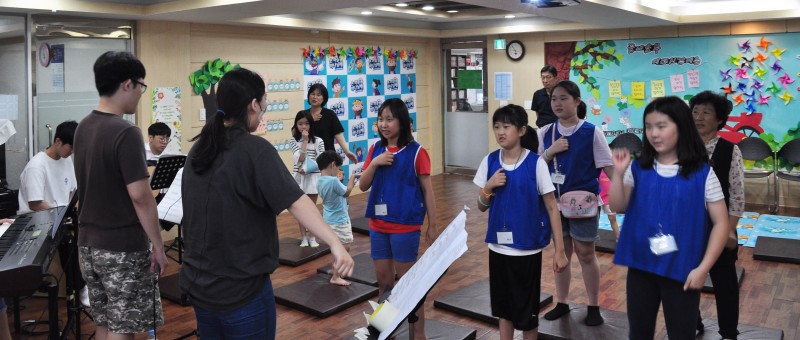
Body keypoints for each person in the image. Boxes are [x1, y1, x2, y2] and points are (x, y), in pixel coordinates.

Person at [180, 68, 353, 339]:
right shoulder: (256, 150)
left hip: (200, 288)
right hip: (242, 291)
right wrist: (335, 243)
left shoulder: (198, 149)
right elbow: (297, 202)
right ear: (253, 104)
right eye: (264, 102)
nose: (264, 109)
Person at [608, 96, 729, 339]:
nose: (653, 133)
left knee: (681, 333)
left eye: (661, 126)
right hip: (641, 267)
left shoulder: (703, 173)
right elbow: (618, 206)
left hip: (683, 271)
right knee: (639, 333)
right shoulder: (638, 168)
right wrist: (618, 175)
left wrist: (703, 268)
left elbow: (721, 223)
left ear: (681, 127)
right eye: (649, 127)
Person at [73, 51, 167, 340]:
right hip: (121, 246)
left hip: (88, 245)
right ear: (128, 84)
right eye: (141, 86)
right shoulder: (125, 132)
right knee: (123, 328)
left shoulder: (83, 126)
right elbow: (140, 196)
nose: (141, 92)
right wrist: (158, 245)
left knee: (104, 322)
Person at [473, 104, 568, 340]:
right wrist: (488, 187)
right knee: (503, 310)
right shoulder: (490, 161)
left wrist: (560, 251)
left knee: (527, 314)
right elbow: (481, 206)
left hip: (527, 250)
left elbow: (551, 207)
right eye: (496, 127)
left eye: (506, 126)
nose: (500, 132)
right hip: (497, 247)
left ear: (522, 130)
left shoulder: (536, 163)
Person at [359, 98, 437, 339]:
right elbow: (362, 185)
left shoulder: (417, 152)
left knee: (408, 285)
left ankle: (418, 334)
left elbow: (428, 190)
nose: (384, 124)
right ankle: (384, 331)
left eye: (389, 119)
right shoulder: (375, 150)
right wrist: (374, 163)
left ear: (402, 122)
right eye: (381, 119)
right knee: (384, 282)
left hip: (405, 226)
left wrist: (433, 225)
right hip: (378, 225)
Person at [538, 80, 613, 326]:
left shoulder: (592, 132)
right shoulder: (545, 132)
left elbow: (609, 168)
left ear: (577, 102)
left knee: (585, 253)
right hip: (554, 205)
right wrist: (551, 151)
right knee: (562, 254)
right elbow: (536, 167)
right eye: (554, 99)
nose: (557, 103)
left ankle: (593, 306)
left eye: (563, 98)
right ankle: (562, 302)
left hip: (584, 204)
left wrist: (627, 193)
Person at [17, 120, 89, 307]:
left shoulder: (66, 160)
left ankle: (83, 286)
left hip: (60, 218)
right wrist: (64, 215)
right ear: (57, 141)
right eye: (70, 148)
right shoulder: (37, 166)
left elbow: (74, 192)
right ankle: (79, 288)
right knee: (69, 243)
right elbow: (35, 203)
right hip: (37, 221)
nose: (72, 152)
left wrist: (75, 212)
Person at [690, 90, 744, 339]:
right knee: (688, 280)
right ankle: (694, 321)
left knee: (725, 285)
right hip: (687, 228)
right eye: (695, 111)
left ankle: (729, 332)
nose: (699, 117)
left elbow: (737, 196)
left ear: (720, 119)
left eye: (706, 112)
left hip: (718, 229)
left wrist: (730, 230)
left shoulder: (729, 151)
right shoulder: (681, 148)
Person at [317, 150, 358, 286]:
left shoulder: (320, 180)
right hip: (339, 220)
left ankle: (335, 270)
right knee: (344, 248)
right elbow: (346, 192)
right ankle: (336, 276)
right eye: (339, 168)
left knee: (336, 246)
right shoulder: (333, 181)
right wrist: (352, 179)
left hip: (328, 220)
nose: (338, 171)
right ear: (333, 164)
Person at [290, 110, 326, 247]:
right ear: (296, 125)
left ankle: (312, 236)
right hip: (299, 178)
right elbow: (299, 159)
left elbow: (321, 160)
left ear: (311, 124)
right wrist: (304, 141)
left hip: (313, 178)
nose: (303, 127)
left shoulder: (319, 141)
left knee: (312, 209)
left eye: (306, 123)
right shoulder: (293, 141)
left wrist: (308, 169)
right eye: (300, 124)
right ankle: (303, 237)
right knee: (301, 210)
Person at [304, 84, 358, 162]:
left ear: (324, 98)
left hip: (327, 158)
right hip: (308, 158)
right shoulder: (304, 114)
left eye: (318, 95)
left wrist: (347, 151)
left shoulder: (329, 114)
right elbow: (295, 132)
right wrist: (310, 120)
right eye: (312, 94)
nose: (315, 97)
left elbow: (338, 134)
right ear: (308, 96)